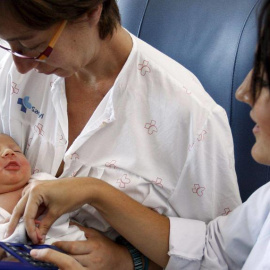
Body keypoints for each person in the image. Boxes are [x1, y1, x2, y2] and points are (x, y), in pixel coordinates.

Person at [7, 0, 270, 269]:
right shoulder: (13, 73)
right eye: (9, 44)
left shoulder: (190, 119)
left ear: (91, 11)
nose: (20, 66)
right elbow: (214, 249)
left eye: (33, 47)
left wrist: (130, 262)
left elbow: (221, 262)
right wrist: (94, 191)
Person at [0, 133, 86, 244]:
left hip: (70, 242)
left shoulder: (42, 181)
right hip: (23, 254)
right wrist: (22, 230)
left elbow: (76, 202)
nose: (8, 152)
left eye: (16, 151)